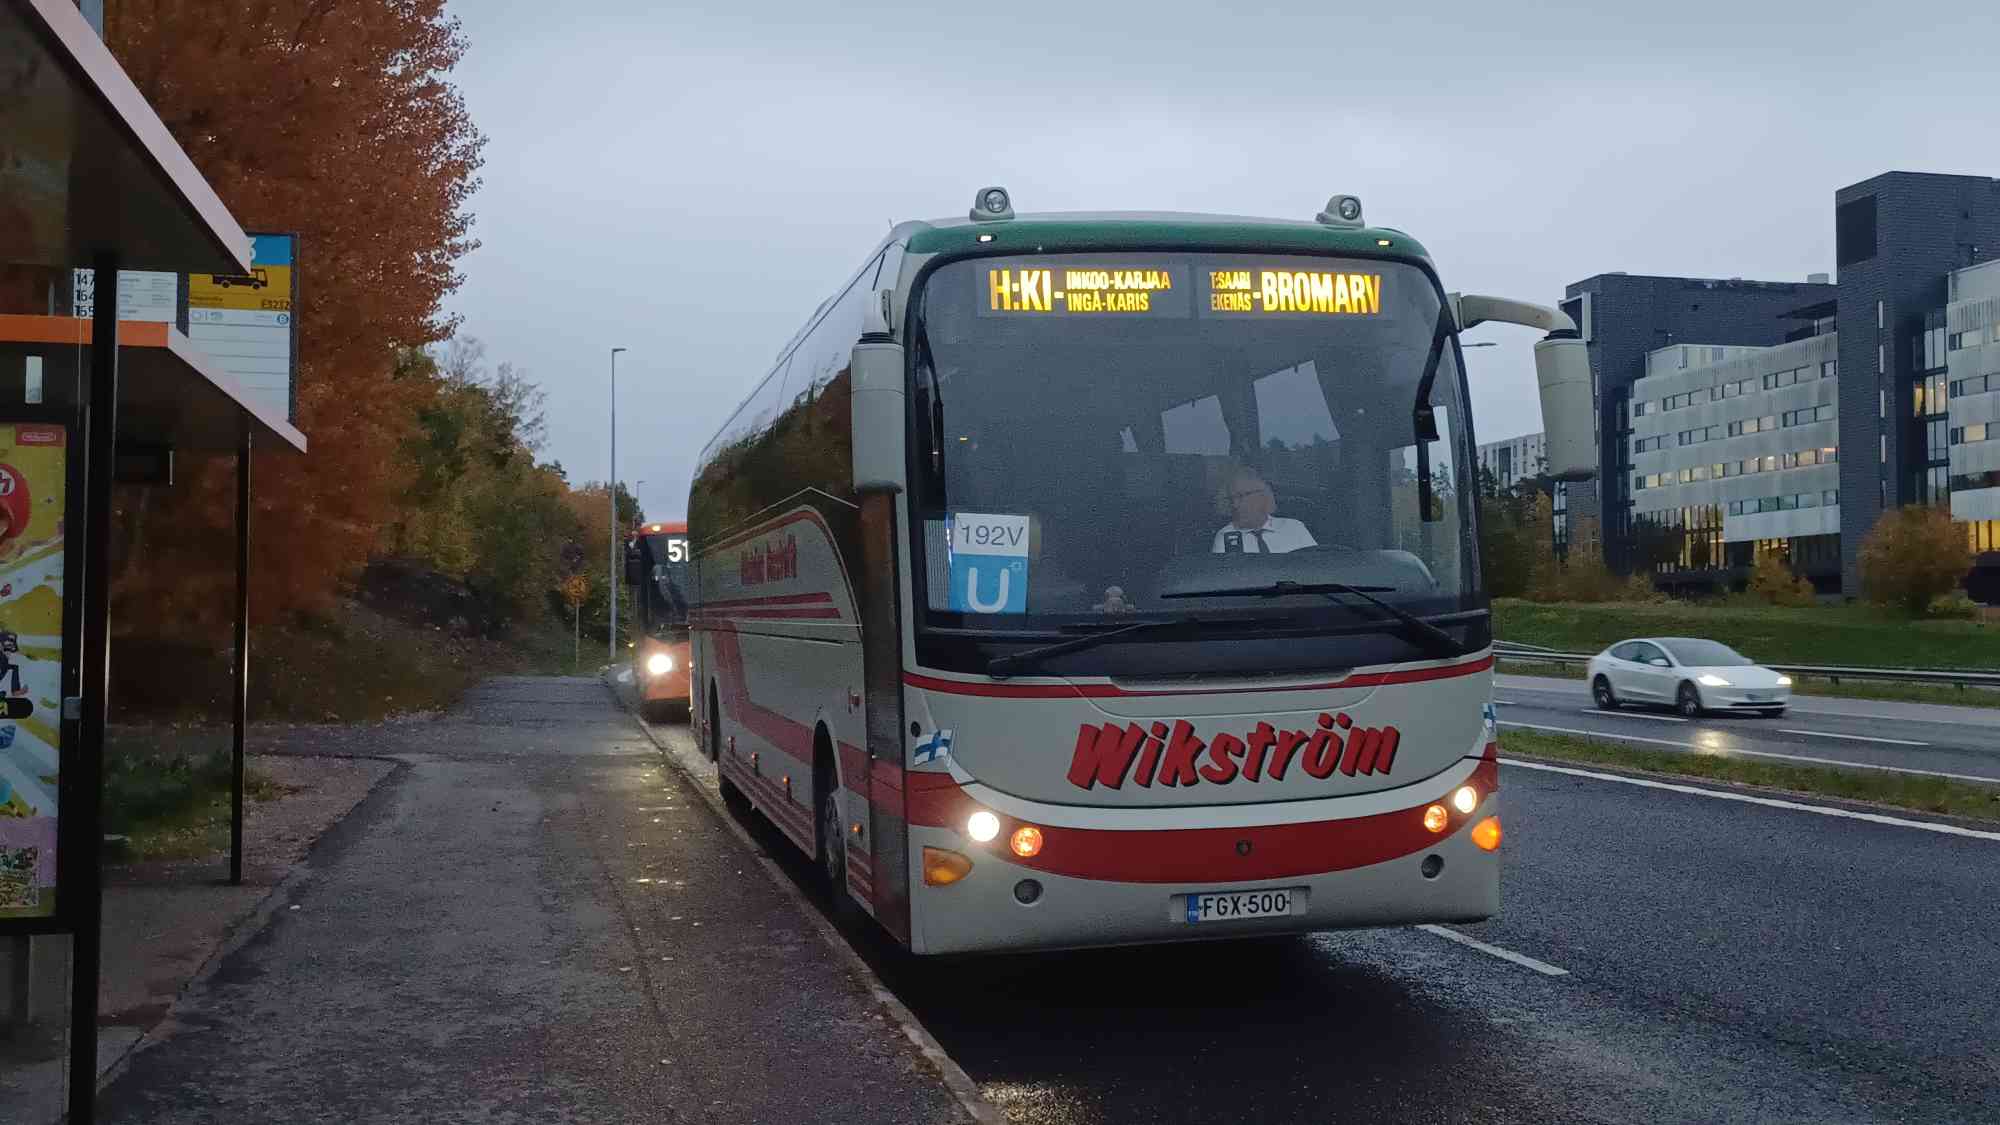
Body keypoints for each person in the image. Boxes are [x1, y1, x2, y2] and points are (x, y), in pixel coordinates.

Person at [1211, 467, 1317, 554]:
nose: (1235, 505)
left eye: (1241, 496)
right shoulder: (1225, 536)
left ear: (1262, 496)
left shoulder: (1294, 527)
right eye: (1231, 499)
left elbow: (1315, 568)